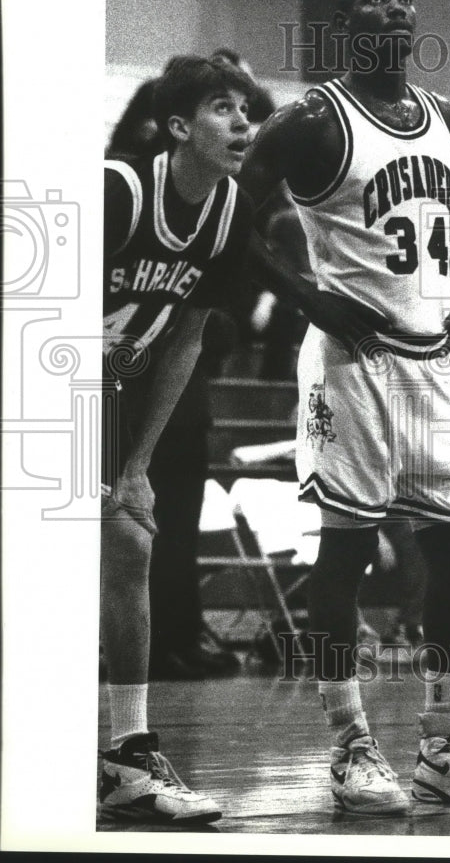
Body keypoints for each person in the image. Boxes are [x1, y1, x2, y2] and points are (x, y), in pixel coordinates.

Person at [240, 0, 450, 814]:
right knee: (348, 549)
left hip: (433, 359)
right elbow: (231, 218)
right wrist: (304, 293)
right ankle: (350, 747)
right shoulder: (309, 121)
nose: (393, 7)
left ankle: (446, 744)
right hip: (350, 361)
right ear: (343, 22)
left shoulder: (444, 116)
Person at [100, 55, 384, 823]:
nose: (244, 125)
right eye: (223, 109)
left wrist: (134, 465)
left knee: (130, 540)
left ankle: (128, 758)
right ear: (178, 127)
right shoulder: (118, 190)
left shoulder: (227, 210)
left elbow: (187, 338)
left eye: (248, 112)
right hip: (44, 376)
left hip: (116, 384)